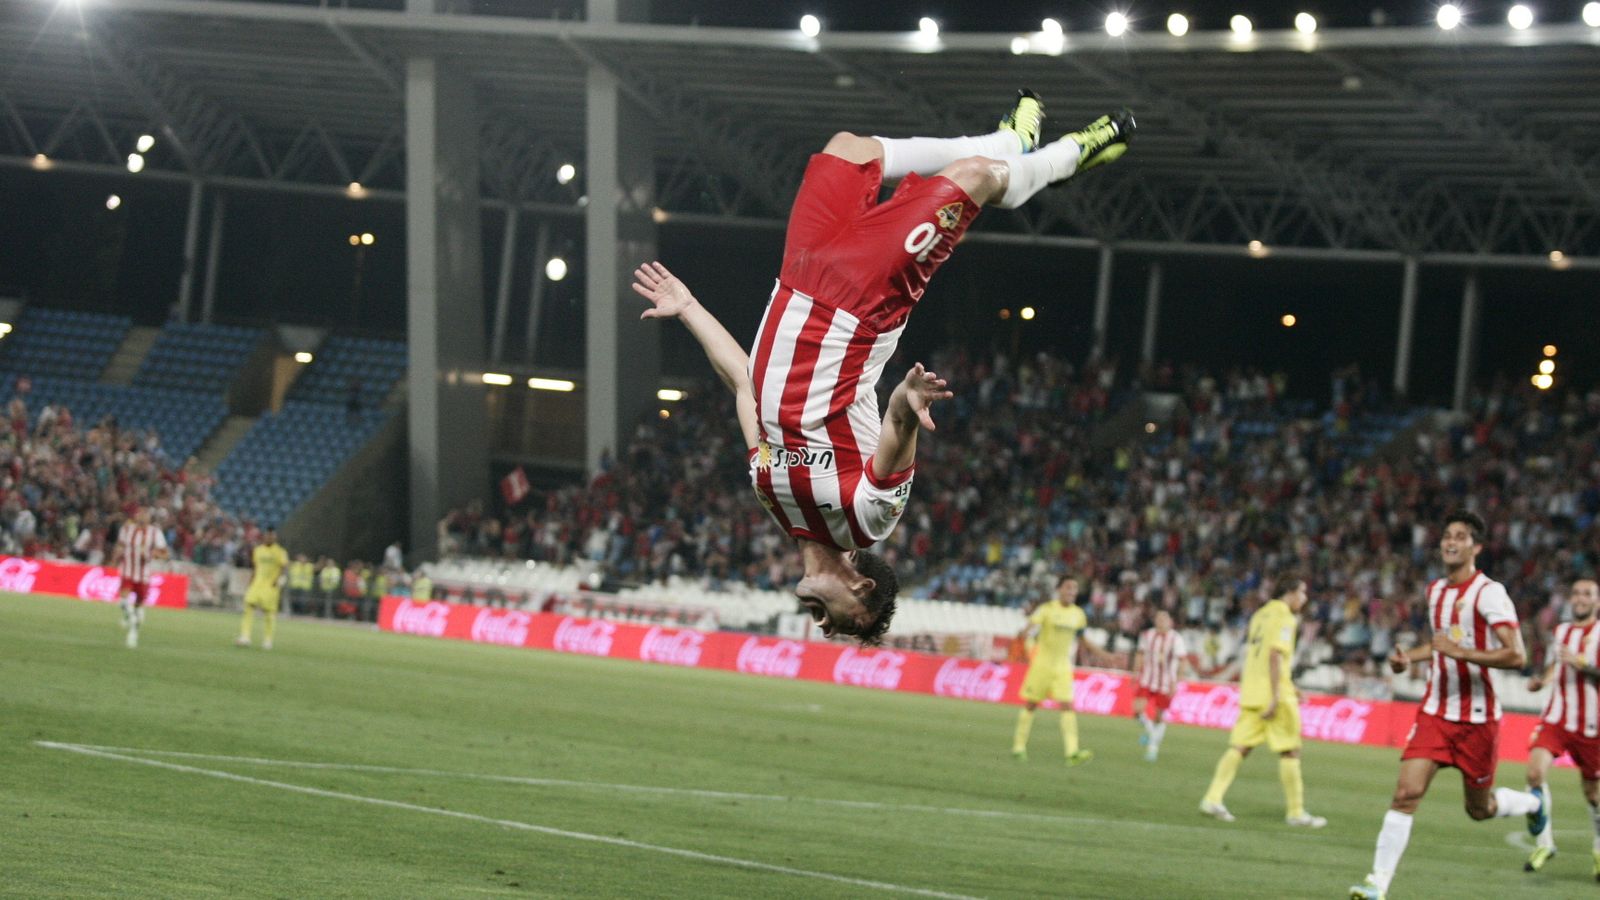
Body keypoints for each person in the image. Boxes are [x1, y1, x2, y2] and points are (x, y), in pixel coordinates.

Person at [631, 91, 1133, 645]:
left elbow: (745, 387)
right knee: (975, 179)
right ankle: (1063, 159)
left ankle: (1009, 140)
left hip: (797, 277)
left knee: (849, 150)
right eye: (837, 621)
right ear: (863, 588)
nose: (820, 623)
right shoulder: (868, 520)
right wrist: (909, 400)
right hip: (862, 302)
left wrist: (690, 308)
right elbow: (897, 425)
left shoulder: (775, 500)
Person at [1350, 511, 1545, 900]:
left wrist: (1462, 652)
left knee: (1479, 810)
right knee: (1405, 794)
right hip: (1435, 713)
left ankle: (1531, 803)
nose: (1450, 542)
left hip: (1477, 721)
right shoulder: (1436, 591)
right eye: (1446, 536)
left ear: (1476, 547)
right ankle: (1377, 884)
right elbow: (1443, 644)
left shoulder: (1489, 593)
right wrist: (1411, 659)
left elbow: (1516, 656)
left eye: (1460, 536)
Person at [1200, 570, 1327, 828]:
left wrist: (1291, 685)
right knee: (1291, 750)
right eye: (1301, 592)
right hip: (1274, 694)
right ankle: (1296, 812)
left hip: (1252, 690)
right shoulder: (1285, 617)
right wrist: (1278, 694)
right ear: (1290, 593)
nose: (1304, 598)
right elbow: (1274, 655)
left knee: (1240, 747)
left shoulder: (1260, 615)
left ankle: (1212, 798)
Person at [1521, 578, 1600, 876]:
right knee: (1534, 773)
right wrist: (1541, 680)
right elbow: (1556, 664)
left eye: (1587, 594)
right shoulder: (1562, 631)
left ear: (1597, 602)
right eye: (1577, 592)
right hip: (1556, 718)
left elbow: (1581, 665)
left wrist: (1582, 664)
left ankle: (1599, 849)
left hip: (1591, 724)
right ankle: (1544, 843)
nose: (1580, 598)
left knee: (1593, 794)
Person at [1011, 575, 1106, 766]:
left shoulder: (1078, 614)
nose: (1071, 592)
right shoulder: (1047, 609)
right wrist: (1024, 633)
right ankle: (1019, 747)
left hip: (1063, 667)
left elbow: (1082, 639)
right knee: (1031, 705)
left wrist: (1104, 654)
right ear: (1059, 589)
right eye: (1068, 587)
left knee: (1067, 706)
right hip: (1042, 665)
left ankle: (1072, 752)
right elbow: (1030, 626)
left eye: (1074, 588)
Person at [1132, 609, 1206, 762]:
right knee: (1138, 710)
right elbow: (1140, 653)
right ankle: (1152, 736)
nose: (1161, 621)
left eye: (1164, 619)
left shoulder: (1175, 638)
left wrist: (1177, 680)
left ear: (1170, 622)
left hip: (1166, 682)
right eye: (1158, 618)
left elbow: (1183, 660)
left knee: (1159, 717)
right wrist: (1135, 672)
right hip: (1147, 679)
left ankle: (1152, 746)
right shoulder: (1147, 635)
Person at [109, 506, 169, 649]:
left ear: (149, 517)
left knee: (138, 607)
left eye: (145, 514)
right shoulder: (127, 530)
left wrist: (151, 555)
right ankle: (131, 622)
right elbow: (120, 546)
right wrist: (113, 560)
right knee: (123, 601)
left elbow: (165, 554)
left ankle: (133, 631)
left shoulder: (155, 533)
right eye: (139, 514)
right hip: (128, 572)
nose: (142, 517)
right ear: (135, 516)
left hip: (144, 576)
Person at [236, 528, 289, 649]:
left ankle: (267, 640)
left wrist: (279, 580)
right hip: (257, 584)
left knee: (269, 612)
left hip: (270, 586)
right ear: (265, 536)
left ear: (275, 537)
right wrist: (251, 581)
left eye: (272, 536)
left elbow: (284, 567)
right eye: (268, 535)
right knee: (248, 606)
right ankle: (245, 636)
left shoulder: (280, 552)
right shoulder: (258, 550)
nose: (270, 538)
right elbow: (255, 567)